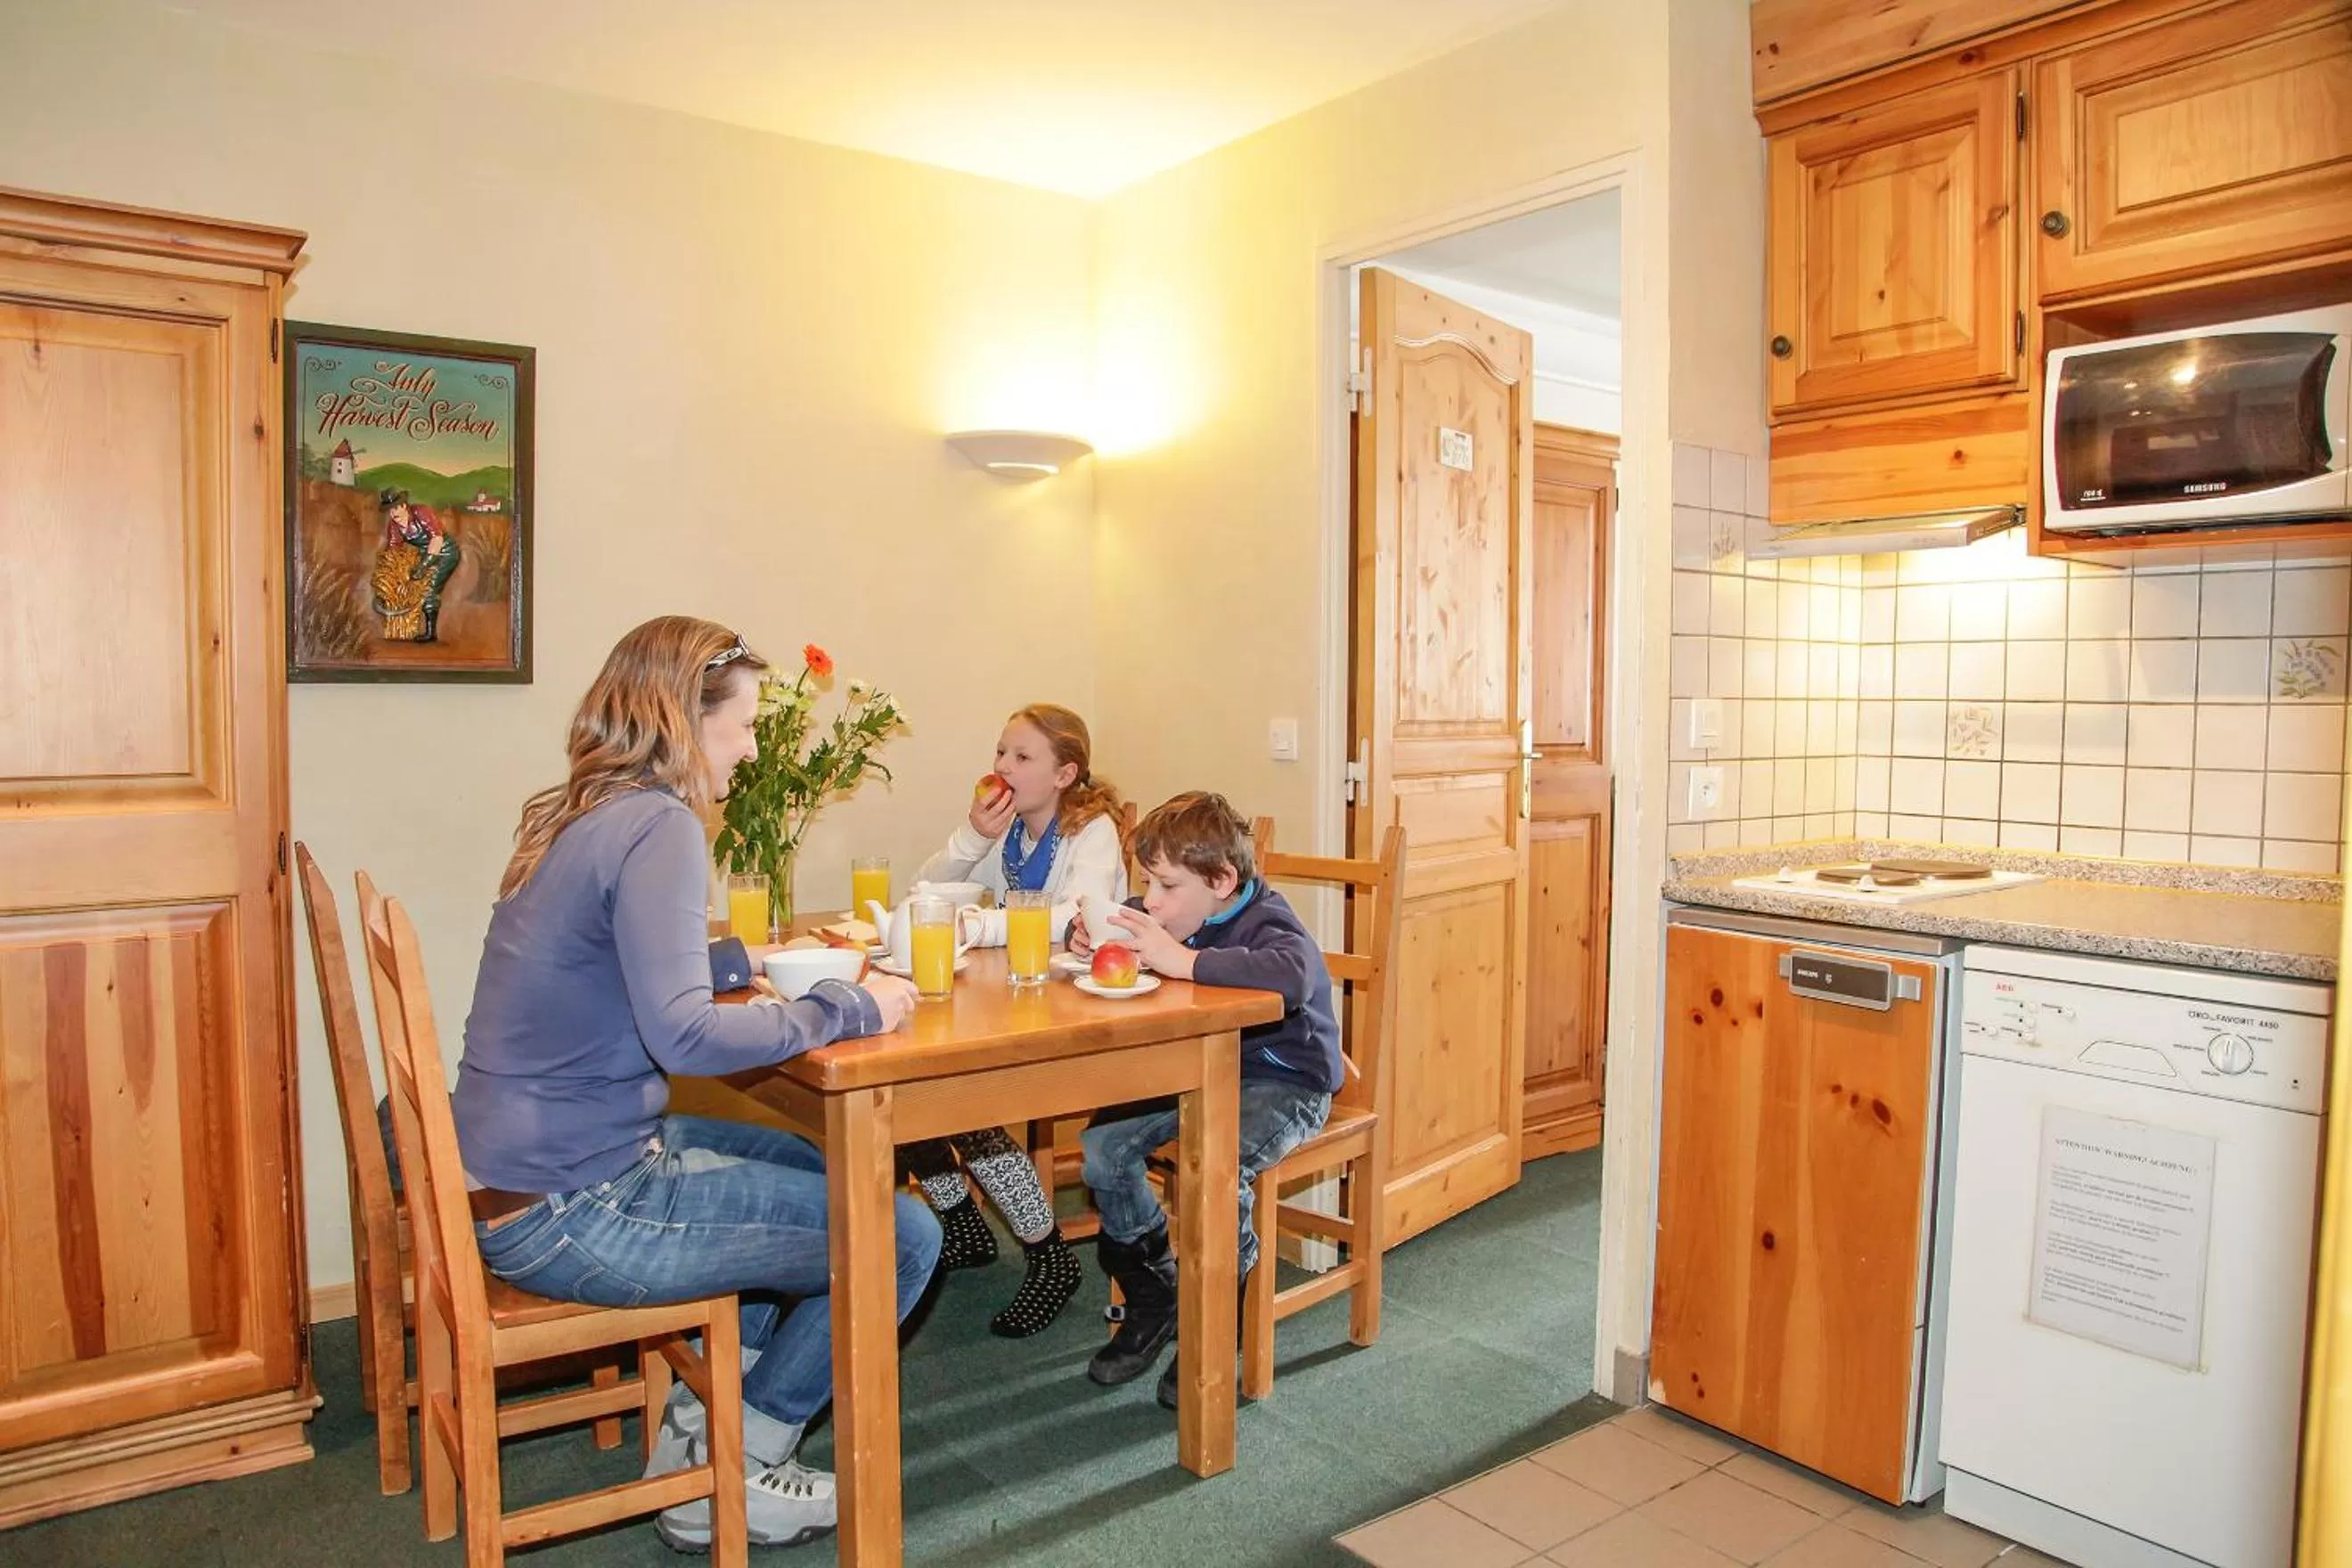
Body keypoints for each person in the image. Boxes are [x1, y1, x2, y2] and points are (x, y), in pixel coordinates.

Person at [451, 615, 937, 1552]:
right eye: (745, 725)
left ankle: (701, 1427)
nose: (753, 749)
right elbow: (683, 1033)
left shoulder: (581, 811)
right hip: (579, 1199)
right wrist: (848, 1005)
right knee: (901, 1231)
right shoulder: (661, 824)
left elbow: (612, 964)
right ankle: (743, 1459)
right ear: (685, 718)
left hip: (525, 1169)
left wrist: (733, 954)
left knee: (807, 1159)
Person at [1069, 791, 1339, 1409]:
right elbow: (1123, 916)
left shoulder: (1269, 920)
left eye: (1166, 886)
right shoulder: (1170, 909)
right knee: (1101, 1147)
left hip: (1285, 1083)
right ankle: (1156, 1293)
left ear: (1222, 881)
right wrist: (1085, 933)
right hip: (1192, 1069)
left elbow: (1293, 975)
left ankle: (1218, 1320)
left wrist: (1184, 961)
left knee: (1213, 1163)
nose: (1152, 902)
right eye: (1147, 884)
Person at [900, 704, 1127, 1336]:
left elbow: (1069, 915)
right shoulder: (1007, 830)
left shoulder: (1094, 830)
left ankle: (1048, 1253)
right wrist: (971, 837)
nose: (1001, 767)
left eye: (1022, 757)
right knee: (908, 1086)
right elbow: (924, 892)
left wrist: (980, 923)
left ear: (1065, 774)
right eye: (1001, 752)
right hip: (1018, 1003)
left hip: (1084, 1013)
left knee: (966, 1107)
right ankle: (963, 1224)